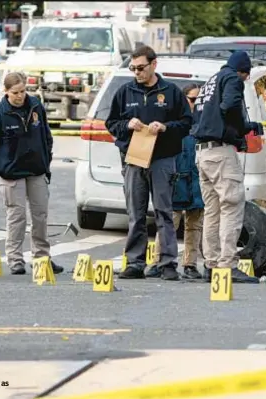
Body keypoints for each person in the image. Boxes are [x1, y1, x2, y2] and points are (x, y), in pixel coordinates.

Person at [105, 45, 192, 281]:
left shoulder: (171, 92)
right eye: (133, 68)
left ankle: (167, 263)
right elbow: (111, 123)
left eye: (141, 68)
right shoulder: (125, 92)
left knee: (164, 212)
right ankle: (134, 262)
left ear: (154, 64)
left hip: (163, 159)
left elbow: (186, 122)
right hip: (134, 160)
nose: (137, 73)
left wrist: (165, 127)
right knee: (136, 213)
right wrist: (126, 125)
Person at [0, 72, 63, 276]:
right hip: (12, 174)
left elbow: (46, 136)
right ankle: (15, 259)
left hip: (36, 170)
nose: (20, 96)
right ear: (6, 92)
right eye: (15, 92)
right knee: (16, 217)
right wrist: (0, 167)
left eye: (23, 91)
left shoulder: (35, 106)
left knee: (40, 216)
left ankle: (42, 257)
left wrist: (46, 161)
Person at [191, 50, 262, 284]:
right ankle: (228, 265)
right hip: (221, 151)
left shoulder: (211, 81)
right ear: (244, 71)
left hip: (202, 152)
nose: (245, 80)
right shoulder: (232, 78)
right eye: (246, 76)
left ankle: (210, 265)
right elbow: (230, 105)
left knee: (212, 210)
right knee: (232, 205)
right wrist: (243, 126)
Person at [147, 83, 205, 280]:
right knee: (169, 218)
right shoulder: (177, 119)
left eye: (199, 100)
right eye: (192, 99)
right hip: (177, 175)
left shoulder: (205, 119)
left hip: (197, 177)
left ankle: (190, 264)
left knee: (195, 222)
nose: (196, 104)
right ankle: (158, 261)